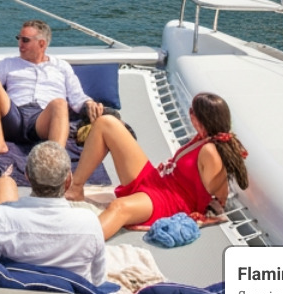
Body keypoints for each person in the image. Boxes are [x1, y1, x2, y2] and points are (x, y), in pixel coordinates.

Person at [67, 91, 249, 240]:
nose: (190, 114)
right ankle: (76, 188)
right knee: (106, 123)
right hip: (158, 181)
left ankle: (77, 248)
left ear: (199, 118)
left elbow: (220, 195)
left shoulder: (210, 151)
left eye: (192, 111)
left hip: (170, 202)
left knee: (120, 207)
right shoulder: (202, 137)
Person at [0, 141, 105, 285]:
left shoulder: (2, 217)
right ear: (68, 180)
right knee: (5, 183)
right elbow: (98, 280)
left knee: (5, 181)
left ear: (27, 176)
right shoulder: (90, 222)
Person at [0, 19, 105, 160]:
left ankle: (55, 161)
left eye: (25, 40)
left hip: (41, 120)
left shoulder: (61, 66)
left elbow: (77, 98)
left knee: (60, 103)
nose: (20, 44)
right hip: (13, 115)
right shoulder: (9, 63)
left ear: (42, 44)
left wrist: (89, 103)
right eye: (19, 39)